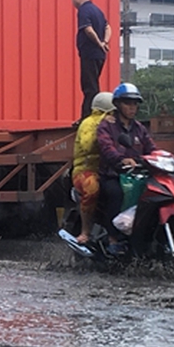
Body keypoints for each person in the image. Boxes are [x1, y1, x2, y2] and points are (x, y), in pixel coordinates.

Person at [96, 82, 157, 254]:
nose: (132, 107)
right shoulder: (106, 126)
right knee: (116, 193)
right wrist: (122, 160)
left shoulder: (139, 128)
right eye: (127, 103)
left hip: (137, 176)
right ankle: (113, 239)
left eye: (135, 104)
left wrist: (169, 159)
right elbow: (107, 148)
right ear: (117, 104)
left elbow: (151, 147)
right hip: (113, 175)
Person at [71, 91, 116, 243]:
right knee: (92, 188)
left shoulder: (120, 123)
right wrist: (101, 127)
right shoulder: (89, 123)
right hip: (85, 170)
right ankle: (85, 231)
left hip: (111, 169)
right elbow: (87, 145)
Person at [72, 0, 111, 118]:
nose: (73, 2)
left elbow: (88, 30)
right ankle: (90, 114)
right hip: (100, 55)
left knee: (89, 87)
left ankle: (88, 116)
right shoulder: (97, 10)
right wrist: (105, 42)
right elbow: (108, 27)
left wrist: (99, 43)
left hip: (89, 53)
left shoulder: (84, 10)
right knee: (93, 83)